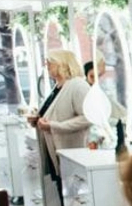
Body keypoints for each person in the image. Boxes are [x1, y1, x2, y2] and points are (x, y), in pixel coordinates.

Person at [29, 49, 91, 181]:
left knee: (71, 193)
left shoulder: (78, 86)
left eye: (50, 63)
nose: (47, 66)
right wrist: (38, 119)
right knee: (61, 188)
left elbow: (87, 117)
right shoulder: (58, 86)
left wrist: (54, 126)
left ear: (62, 64)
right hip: (54, 148)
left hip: (71, 150)